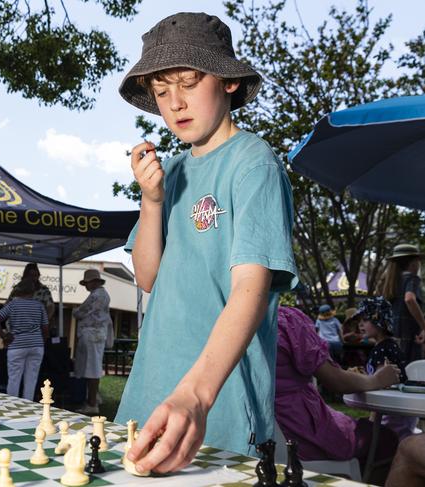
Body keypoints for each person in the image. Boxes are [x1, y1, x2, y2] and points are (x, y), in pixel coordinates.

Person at [114, 12, 298, 473]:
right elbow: (149, 277)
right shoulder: (172, 171)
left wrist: (196, 394)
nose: (174, 103)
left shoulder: (253, 163)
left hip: (218, 399)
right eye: (161, 92)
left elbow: (250, 290)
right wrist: (152, 202)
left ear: (228, 82)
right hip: (152, 387)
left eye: (189, 82)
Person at [275, 306, 400, 484]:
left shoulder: (225, 325)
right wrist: (377, 380)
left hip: (260, 438)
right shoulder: (284, 321)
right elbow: (335, 380)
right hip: (303, 436)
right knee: (385, 439)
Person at [357, 296, 418, 440]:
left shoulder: (383, 349)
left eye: (365, 320)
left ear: (379, 322)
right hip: (399, 409)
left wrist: (372, 421)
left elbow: (380, 383)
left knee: (386, 441)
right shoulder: (386, 346)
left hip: (392, 411)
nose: (360, 324)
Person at [0, 278, 48, 401]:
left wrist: (4, 336)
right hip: (36, 345)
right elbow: (45, 328)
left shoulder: (13, 304)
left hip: (16, 345)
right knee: (31, 379)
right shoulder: (39, 306)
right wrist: (41, 342)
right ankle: (27, 406)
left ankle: (13, 406)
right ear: (33, 291)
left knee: (14, 378)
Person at [72, 269, 112, 415]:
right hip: (96, 335)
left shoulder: (96, 296)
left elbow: (80, 312)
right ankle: (94, 397)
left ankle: (92, 403)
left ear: (94, 282)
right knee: (93, 368)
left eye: (87, 282)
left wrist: (75, 312)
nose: (86, 286)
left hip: (92, 336)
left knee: (92, 370)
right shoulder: (101, 295)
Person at [379, 243, 425, 363]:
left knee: (396, 371)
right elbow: (409, 299)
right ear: (413, 262)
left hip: (393, 334)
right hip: (409, 334)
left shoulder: (390, 282)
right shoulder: (412, 278)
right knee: (411, 372)